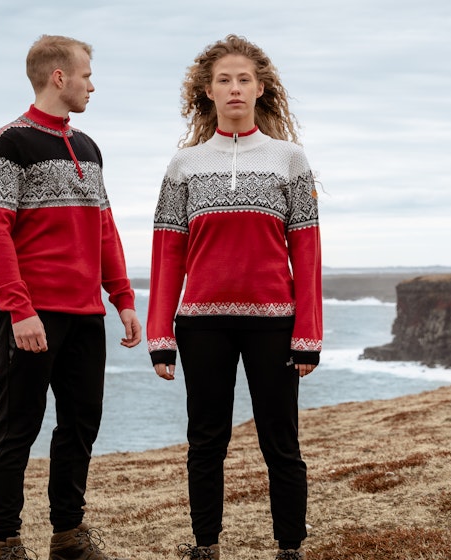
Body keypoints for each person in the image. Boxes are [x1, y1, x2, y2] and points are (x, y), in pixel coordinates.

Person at [147, 35, 321, 560]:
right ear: (207, 92)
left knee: (281, 445)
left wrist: (308, 334)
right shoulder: (184, 165)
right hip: (201, 325)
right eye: (224, 79)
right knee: (205, 444)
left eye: (244, 78)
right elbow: (166, 256)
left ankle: (289, 548)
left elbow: (308, 253)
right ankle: (206, 547)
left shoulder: (290, 160)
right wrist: (160, 335)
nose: (235, 88)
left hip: (274, 323)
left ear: (261, 88)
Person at [0, 34, 141, 560]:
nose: (93, 84)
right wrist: (19, 309)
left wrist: (123, 297)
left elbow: (105, 228)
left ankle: (68, 537)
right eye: (87, 74)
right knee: (16, 429)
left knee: (80, 427)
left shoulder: (88, 148)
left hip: (85, 315)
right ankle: (5, 543)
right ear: (59, 77)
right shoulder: (6, 144)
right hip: (31, 315)